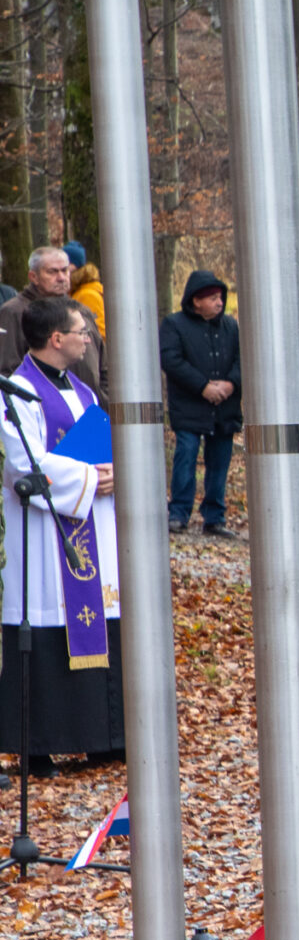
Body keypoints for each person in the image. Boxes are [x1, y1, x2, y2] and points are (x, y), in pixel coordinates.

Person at [0, 299, 121, 771]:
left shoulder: (84, 391)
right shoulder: (14, 394)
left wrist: (112, 471)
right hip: (44, 537)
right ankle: (39, 746)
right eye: (80, 331)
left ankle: (102, 735)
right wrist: (92, 476)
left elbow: (100, 443)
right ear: (56, 339)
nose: (87, 338)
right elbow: (22, 465)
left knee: (99, 620)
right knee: (48, 628)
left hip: (91, 525)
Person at [159, 269, 241, 538]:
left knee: (219, 462)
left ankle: (215, 517)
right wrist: (203, 386)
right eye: (213, 298)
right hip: (190, 405)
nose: (220, 303)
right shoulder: (174, 324)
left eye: (221, 297)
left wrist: (230, 384)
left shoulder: (231, 325)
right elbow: (171, 360)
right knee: (186, 457)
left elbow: (244, 358)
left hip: (225, 407)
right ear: (196, 301)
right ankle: (179, 513)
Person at [0, 248, 98, 396]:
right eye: (52, 272)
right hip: (43, 409)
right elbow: (7, 369)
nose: (61, 277)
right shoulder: (14, 312)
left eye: (65, 270)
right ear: (34, 276)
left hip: (90, 408)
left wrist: (103, 398)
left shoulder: (81, 311)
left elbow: (102, 363)